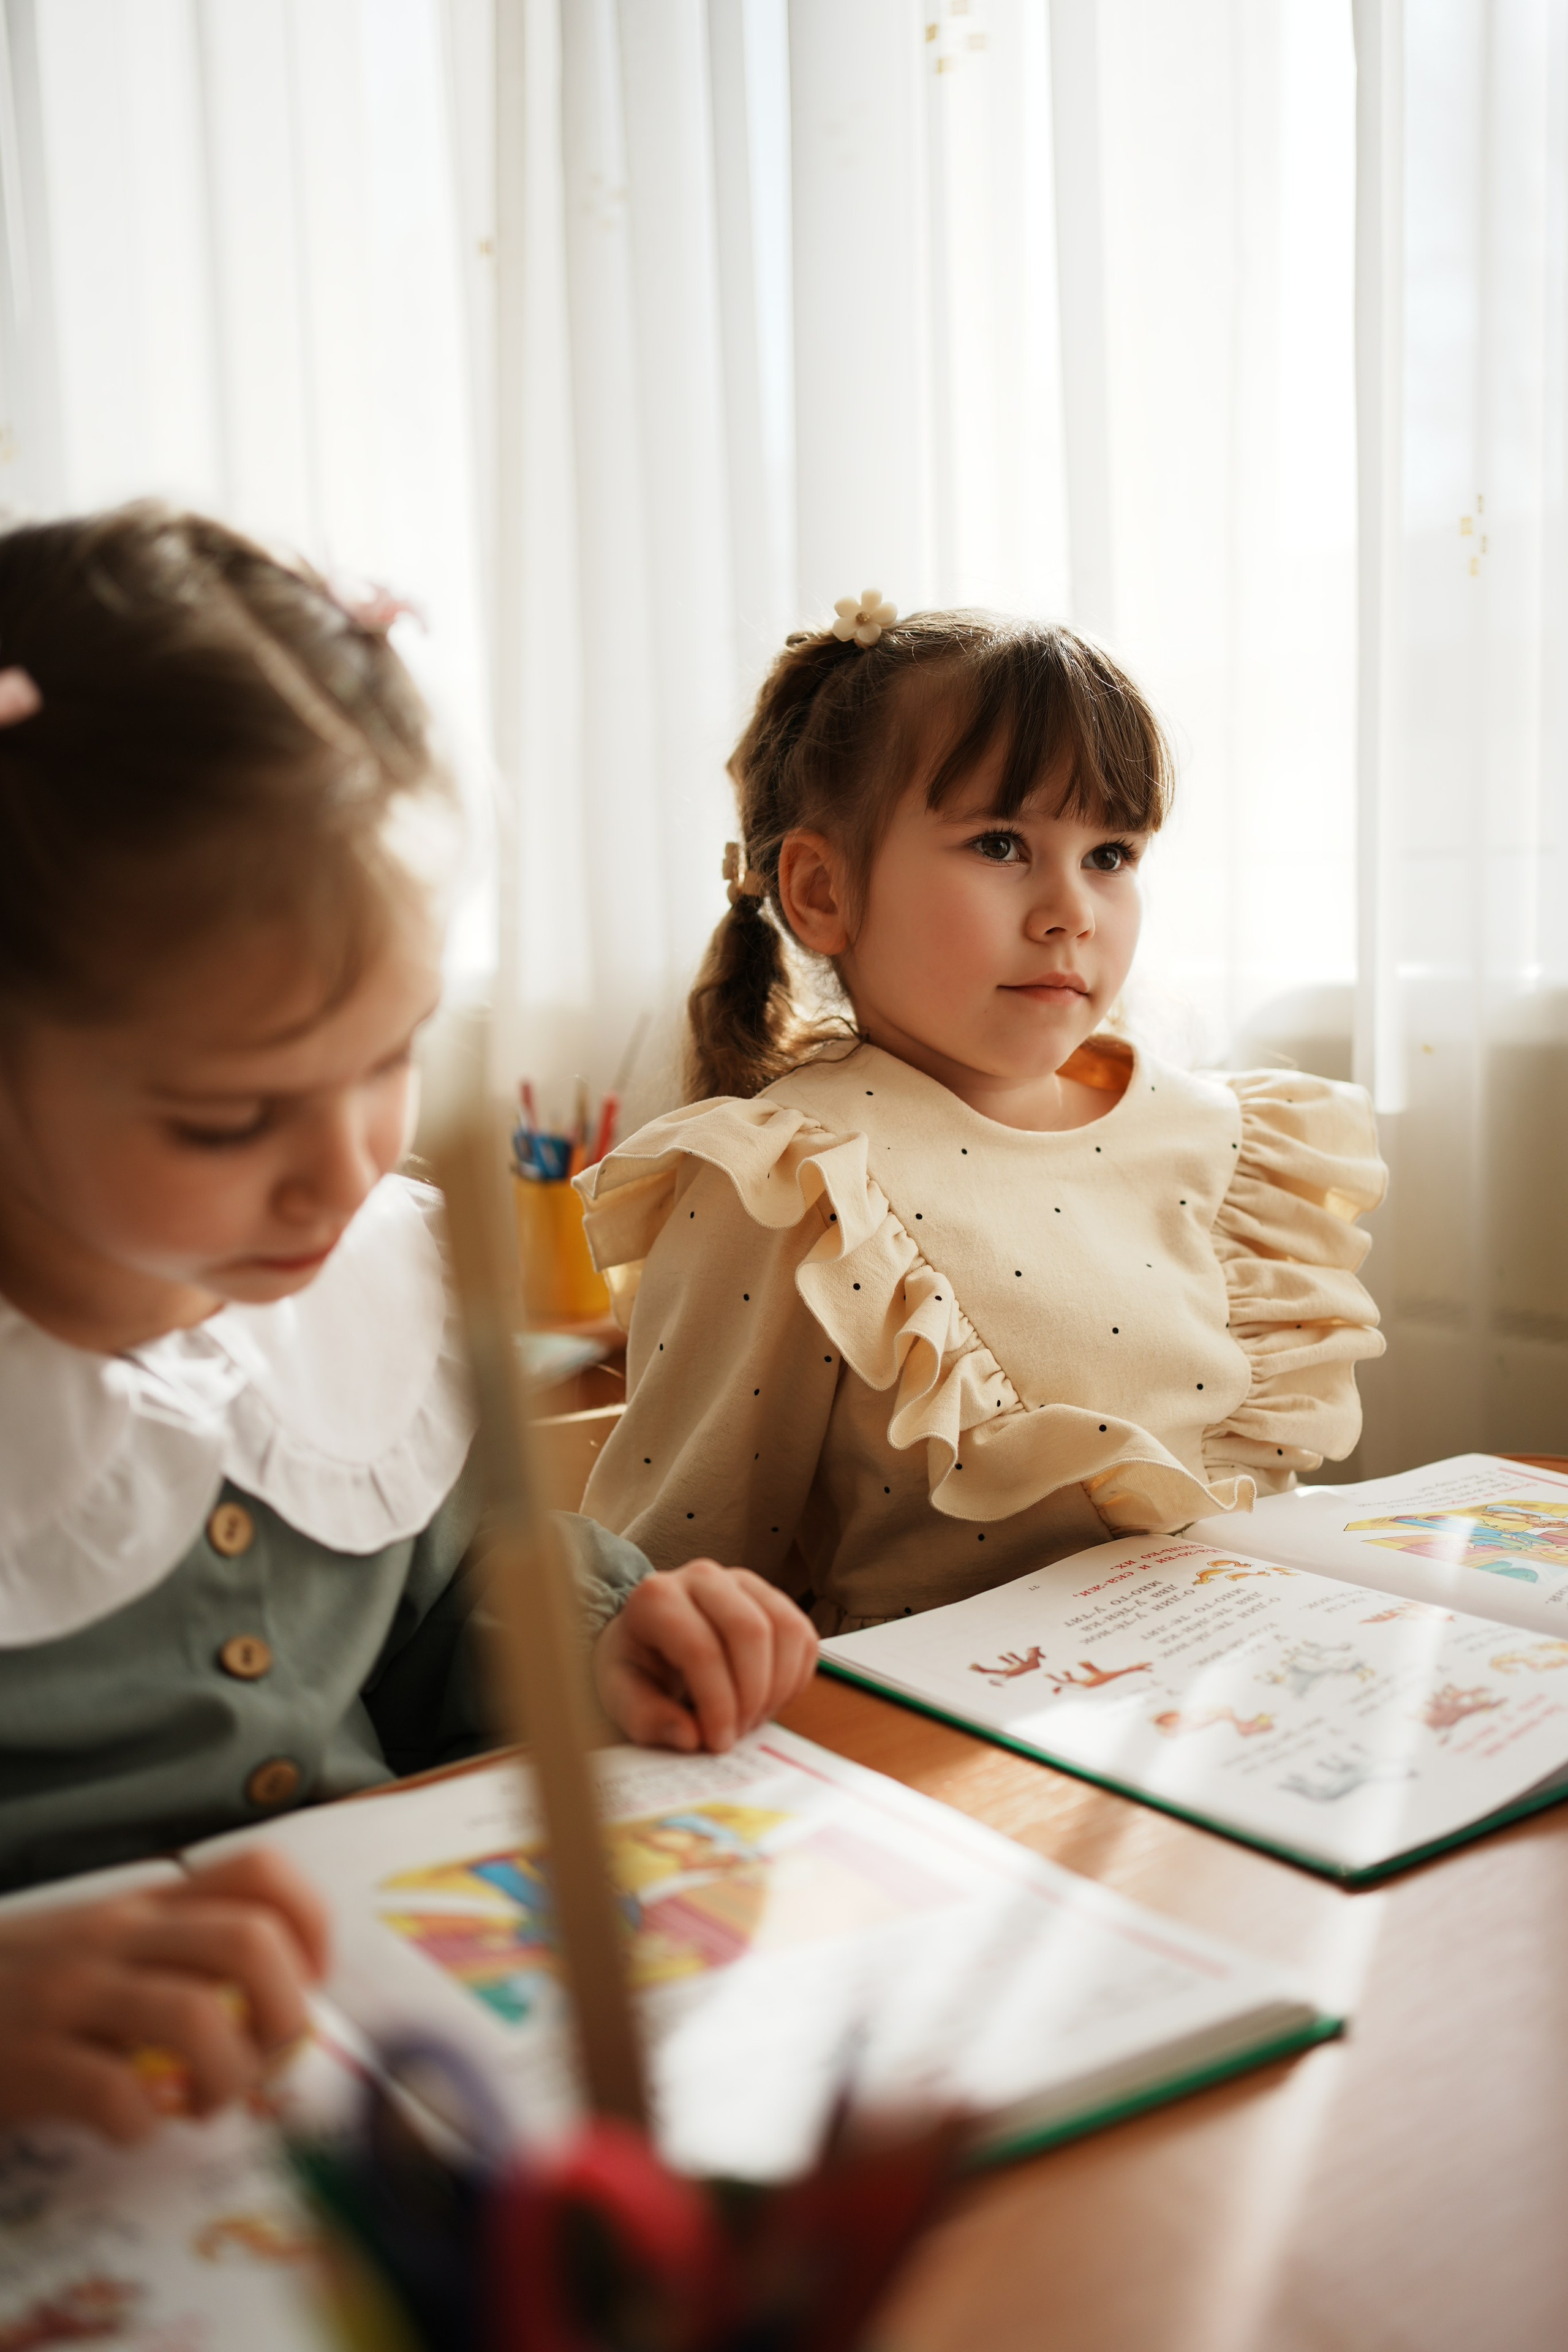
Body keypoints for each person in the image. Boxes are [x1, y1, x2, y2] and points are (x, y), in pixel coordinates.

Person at [0, 505, 816, 2140]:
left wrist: (599, 1647)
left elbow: (442, 1610)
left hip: (387, 2092)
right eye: (228, 1120)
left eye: (390, 1058)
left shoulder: (356, 1292)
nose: (345, 1168)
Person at [576, 599, 1387, 1635]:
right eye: (1002, 844)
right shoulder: (790, 1182)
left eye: (1112, 855)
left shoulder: (1225, 1142)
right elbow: (676, 1579)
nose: (1071, 911)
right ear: (823, 891)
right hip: (949, 1758)